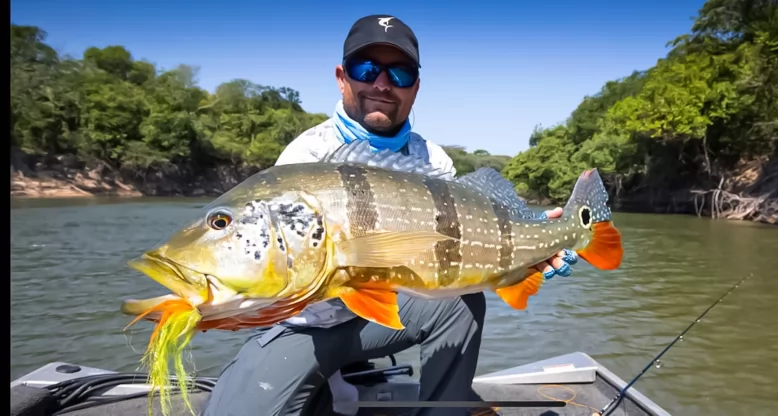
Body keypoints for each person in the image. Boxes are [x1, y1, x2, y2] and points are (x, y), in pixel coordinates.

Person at [201, 14, 578, 416]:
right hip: (308, 325)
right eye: (366, 69)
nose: (382, 83)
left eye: (400, 73)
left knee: (462, 302)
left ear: (415, 87)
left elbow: (463, 249)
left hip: (383, 318)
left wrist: (533, 245)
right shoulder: (305, 158)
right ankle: (324, 383)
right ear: (342, 77)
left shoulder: (432, 160)